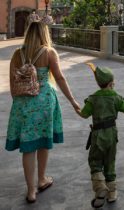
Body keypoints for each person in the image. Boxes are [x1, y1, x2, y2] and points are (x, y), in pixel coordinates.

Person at [5, 21, 80, 203]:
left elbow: (13, 82)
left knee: (28, 146)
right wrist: (72, 101)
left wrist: (19, 103)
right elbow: (60, 78)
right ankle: (41, 179)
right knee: (43, 141)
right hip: (44, 101)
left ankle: (31, 191)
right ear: (44, 34)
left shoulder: (17, 54)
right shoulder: (48, 52)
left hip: (23, 103)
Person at [76, 63, 124, 208]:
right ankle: (112, 193)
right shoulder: (115, 97)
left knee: (95, 162)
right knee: (110, 162)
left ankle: (100, 188)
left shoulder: (93, 98)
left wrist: (76, 107)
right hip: (111, 134)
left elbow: (84, 114)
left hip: (98, 135)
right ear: (110, 83)